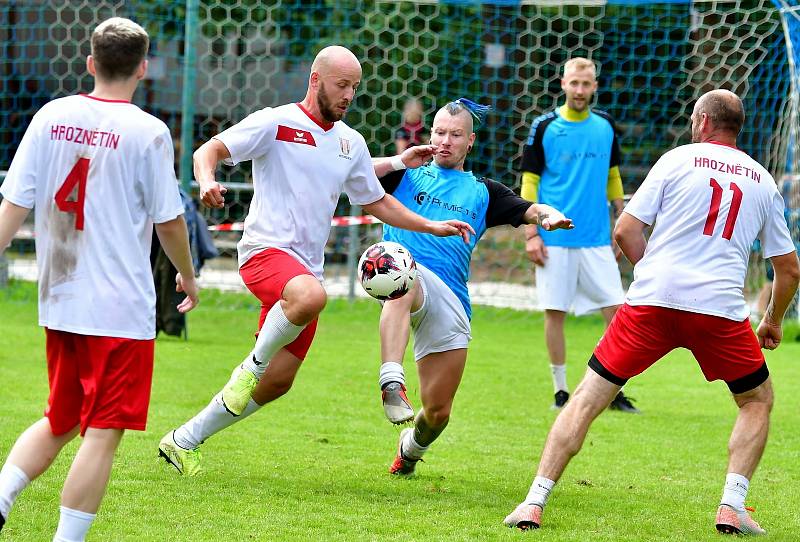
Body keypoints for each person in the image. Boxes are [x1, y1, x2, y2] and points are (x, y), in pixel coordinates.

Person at [157, 45, 474, 476]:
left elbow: (376, 201)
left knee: (279, 381)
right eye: (341, 85)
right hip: (264, 254)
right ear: (315, 79)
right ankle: (249, 366)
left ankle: (183, 440)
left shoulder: (350, 142)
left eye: (355, 88)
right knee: (310, 298)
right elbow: (206, 152)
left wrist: (431, 226)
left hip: (303, 271)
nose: (348, 95)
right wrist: (207, 180)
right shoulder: (276, 121)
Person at [504, 89, 800, 535]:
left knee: (586, 398)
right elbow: (788, 267)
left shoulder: (676, 159)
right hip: (719, 310)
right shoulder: (762, 180)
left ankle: (533, 501)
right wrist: (772, 319)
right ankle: (731, 505)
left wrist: (654, 275)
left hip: (650, 304)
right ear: (737, 127)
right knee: (756, 401)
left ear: (701, 121)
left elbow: (625, 229)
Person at [0, 18, 199, 541]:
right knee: (102, 433)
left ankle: (0, 501)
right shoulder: (148, 131)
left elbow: (13, 204)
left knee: (60, 418)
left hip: (60, 300)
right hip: (119, 311)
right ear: (143, 68)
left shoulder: (51, 116)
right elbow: (169, 221)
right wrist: (186, 274)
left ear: (90, 63)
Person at [375, 98, 573, 475]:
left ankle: (410, 450)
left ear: (471, 141)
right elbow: (349, 170)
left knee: (437, 412)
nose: (444, 141)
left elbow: (532, 208)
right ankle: (391, 380)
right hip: (405, 272)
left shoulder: (485, 191)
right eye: (438, 132)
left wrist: (550, 216)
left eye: (455, 134)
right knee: (403, 273)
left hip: (450, 296)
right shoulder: (405, 173)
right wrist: (399, 160)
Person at [520, 57, 638, 412]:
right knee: (555, 312)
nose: (580, 90)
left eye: (586, 84)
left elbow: (613, 176)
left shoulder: (605, 126)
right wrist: (531, 233)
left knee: (617, 313)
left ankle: (611, 389)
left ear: (595, 86)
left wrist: (620, 224)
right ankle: (560, 391)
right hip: (554, 237)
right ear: (563, 84)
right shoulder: (544, 126)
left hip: (597, 238)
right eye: (574, 83)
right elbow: (530, 181)